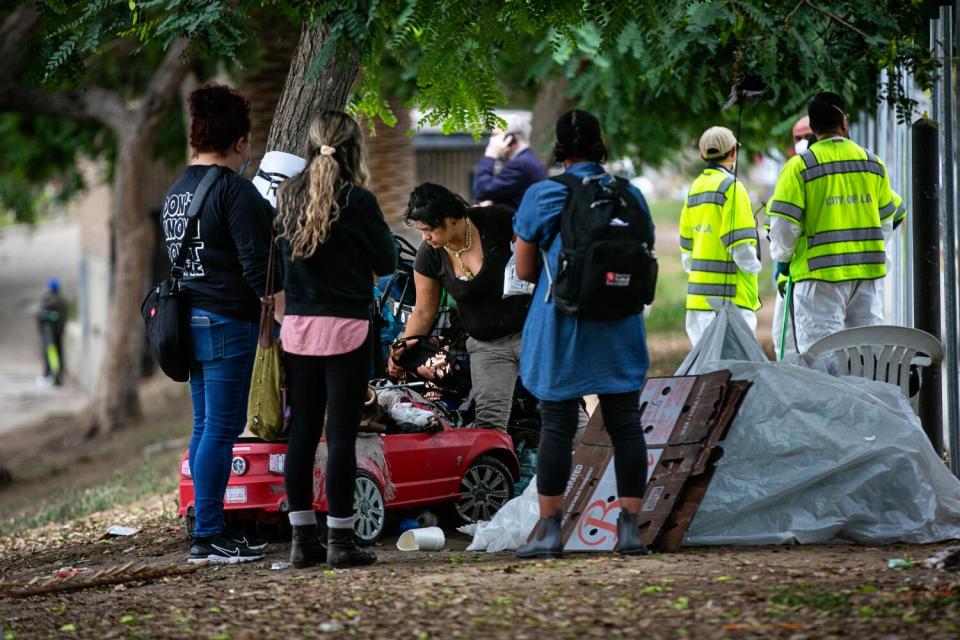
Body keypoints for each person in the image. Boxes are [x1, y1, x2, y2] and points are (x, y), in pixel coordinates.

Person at [512, 109, 653, 559]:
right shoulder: (631, 195)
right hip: (620, 323)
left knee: (556, 424)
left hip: (563, 323)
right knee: (626, 425)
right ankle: (629, 530)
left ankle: (551, 531)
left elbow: (525, 268)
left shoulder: (544, 194)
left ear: (559, 149)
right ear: (600, 144)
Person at [276, 111, 398, 568]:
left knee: (302, 433)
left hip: (299, 330)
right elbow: (387, 261)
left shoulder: (286, 195)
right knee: (341, 435)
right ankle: (341, 542)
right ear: (354, 150)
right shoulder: (359, 201)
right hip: (347, 328)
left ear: (311, 146)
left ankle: (301, 541)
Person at [163, 83, 273, 564]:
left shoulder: (176, 191)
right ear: (241, 143)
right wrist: (279, 320)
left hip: (191, 322)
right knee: (222, 429)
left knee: (207, 425)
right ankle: (208, 534)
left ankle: (208, 526)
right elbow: (257, 269)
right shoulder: (235, 192)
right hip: (229, 323)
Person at [389, 183, 532, 430]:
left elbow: (537, 251)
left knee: (563, 410)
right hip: (487, 346)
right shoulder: (430, 254)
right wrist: (400, 350)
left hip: (531, 333)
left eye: (430, 229)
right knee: (489, 424)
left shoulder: (496, 220)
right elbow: (424, 310)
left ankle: (588, 465)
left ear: (450, 218)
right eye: (421, 231)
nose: (426, 237)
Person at [767, 92, 897, 354]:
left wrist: (783, 259)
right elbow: (886, 221)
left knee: (823, 363)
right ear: (844, 123)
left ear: (813, 129)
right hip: (866, 279)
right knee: (867, 361)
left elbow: (783, 227)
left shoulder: (799, 167)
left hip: (818, 281)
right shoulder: (873, 164)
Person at [679, 126, 762, 346]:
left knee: (706, 373)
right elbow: (740, 248)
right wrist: (756, 268)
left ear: (702, 155)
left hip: (698, 302)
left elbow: (687, 253)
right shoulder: (732, 187)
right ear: (734, 151)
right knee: (736, 374)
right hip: (731, 303)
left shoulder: (694, 189)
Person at [471, 113, 547, 210]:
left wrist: (490, 155)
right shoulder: (527, 160)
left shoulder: (519, 164)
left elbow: (481, 191)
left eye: (496, 135)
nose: (492, 140)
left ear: (511, 138)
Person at [37, 278, 67, 386]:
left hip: (50, 334)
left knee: (51, 354)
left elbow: (42, 316)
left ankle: (53, 375)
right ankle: (56, 375)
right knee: (58, 354)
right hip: (58, 333)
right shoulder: (62, 300)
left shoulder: (49, 300)